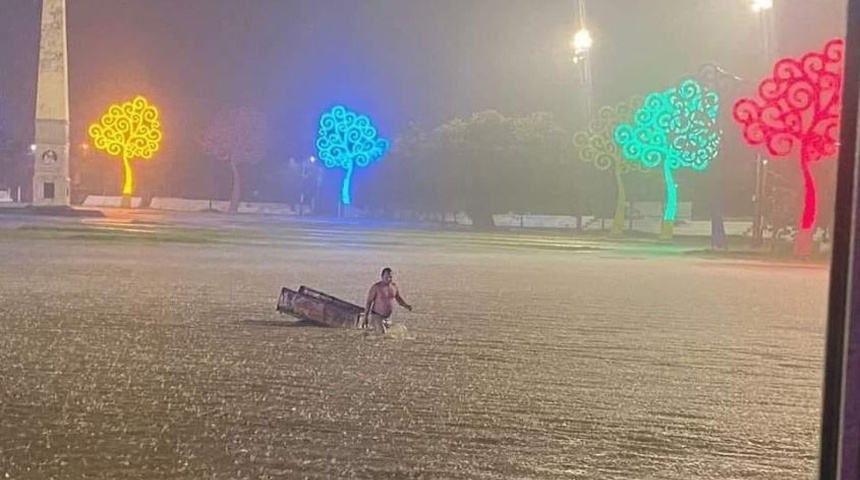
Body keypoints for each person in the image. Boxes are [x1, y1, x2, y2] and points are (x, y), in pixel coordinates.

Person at [364, 267, 412, 333]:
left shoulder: (394, 287)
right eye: (386, 277)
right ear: (382, 277)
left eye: (390, 277)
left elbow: (398, 299)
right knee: (383, 334)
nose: (389, 279)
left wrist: (406, 306)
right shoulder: (376, 287)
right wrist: (365, 317)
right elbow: (369, 302)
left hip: (387, 317)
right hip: (376, 316)